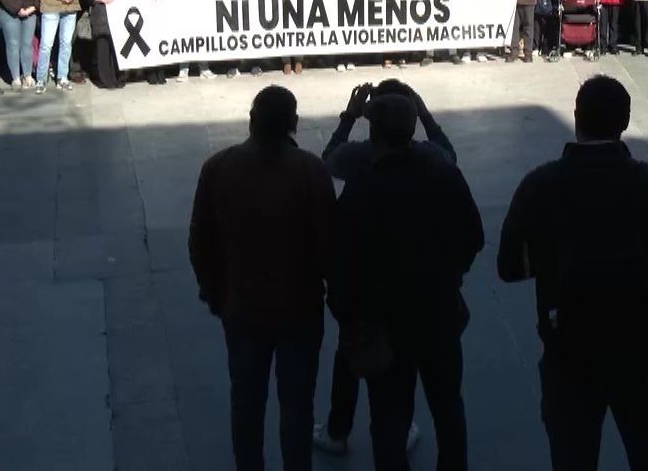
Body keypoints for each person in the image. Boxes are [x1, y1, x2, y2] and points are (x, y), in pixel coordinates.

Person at [498, 76, 648, 471]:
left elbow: (508, 268)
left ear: (576, 119)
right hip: (643, 356)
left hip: (569, 356)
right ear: (624, 122)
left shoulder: (539, 186)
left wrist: (553, 261)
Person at [330, 90, 483, 471]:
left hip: (383, 323)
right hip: (439, 314)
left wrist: (349, 315)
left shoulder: (361, 188)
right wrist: (449, 277)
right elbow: (473, 237)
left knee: (388, 417)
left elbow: (340, 260)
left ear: (373, 133)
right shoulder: (444, 174)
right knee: (448, 408)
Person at [188, 86, 337, 471]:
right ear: (294, 123)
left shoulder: (218, 167)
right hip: (299, 309)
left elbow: (199, 240)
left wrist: (213, 291)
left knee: (246, 403)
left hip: (242, 307)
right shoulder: (310, 171)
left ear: (251, 120)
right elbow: (329, 244)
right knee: (297, 406)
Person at [79, 0, 135, 89]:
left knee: (116, 45)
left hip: (117, 13)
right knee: (102, 46)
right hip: (100, 13)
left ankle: (117, 76)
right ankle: (104, 79)